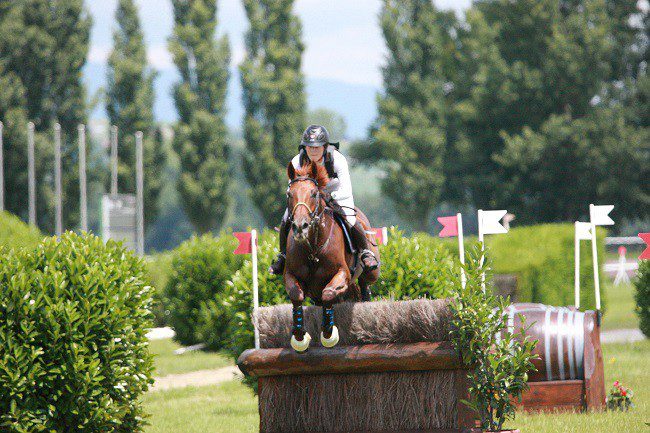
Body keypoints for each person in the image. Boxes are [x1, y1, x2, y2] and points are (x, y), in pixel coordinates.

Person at [269, 124, 380, 275]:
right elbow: (291, 189)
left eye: (317, 147)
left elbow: (346, 188)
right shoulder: (297, 161)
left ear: (325, 146)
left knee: (350, 219)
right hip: (308, 199)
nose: (313, 150)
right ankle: (282, 256)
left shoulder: (337, 159)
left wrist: (328, 198)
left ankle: (366, 252)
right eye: (310, 147)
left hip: (337, 194)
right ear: (304, 147)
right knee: (285, 220)